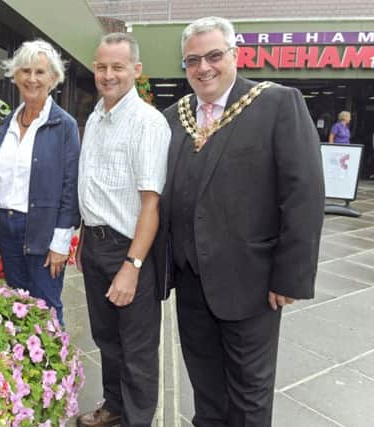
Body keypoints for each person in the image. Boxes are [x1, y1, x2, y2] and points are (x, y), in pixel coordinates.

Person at [154, 16, 325, 427]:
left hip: (252, 283)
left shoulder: (277, 103)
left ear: (236, 55)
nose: (203, 67)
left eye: (214, 56)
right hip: (190, 280)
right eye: (192, 60)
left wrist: (289, 278)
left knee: (249, 394)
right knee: (206, 387)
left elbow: (303, 194)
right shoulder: (173, 117)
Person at [76, 33, 171, 427]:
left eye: (117, 67)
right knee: (106, 340)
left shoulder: (147, 122)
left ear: (136, 70)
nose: (108, 74)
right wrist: (83, 238)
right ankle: (114, 408)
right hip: (95, 243)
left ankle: (136, 421)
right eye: (101, 66)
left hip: (129, 248)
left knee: (137, 350)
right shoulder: (96, 116)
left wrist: (132, 265)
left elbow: (152, 203)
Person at [0, 40, 80, 325]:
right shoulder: (7, 123)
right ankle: (24, 368)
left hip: (43, 231)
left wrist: (61, 243)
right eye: (25, 70)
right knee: (17, 305)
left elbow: (69, 186)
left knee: (46, 307)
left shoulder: (65, 126)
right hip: (7, 228)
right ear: (15, 76)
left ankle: (55, 368)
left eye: (40, 72)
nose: (32, 79)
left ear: (54, 78)